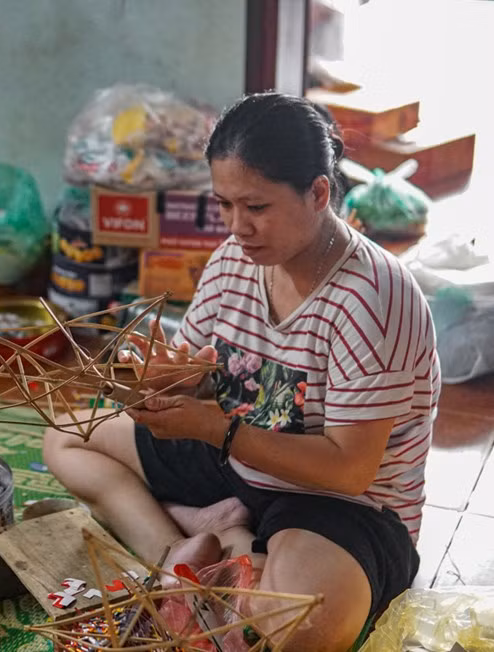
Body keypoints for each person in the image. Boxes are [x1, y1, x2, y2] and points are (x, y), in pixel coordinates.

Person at [44, 92, 440, 651]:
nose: (237, 226)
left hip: (340, 503)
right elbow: (200, 369)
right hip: (237, 457)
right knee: (67, 437)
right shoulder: (234, 258)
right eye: (224, 205)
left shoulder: (374, 297)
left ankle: (231, 540)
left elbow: (350, 470)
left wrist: (214, 428)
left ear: (318, 193)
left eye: (256, 207)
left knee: (302, 626)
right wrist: (169, 381)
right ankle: (182, 560)